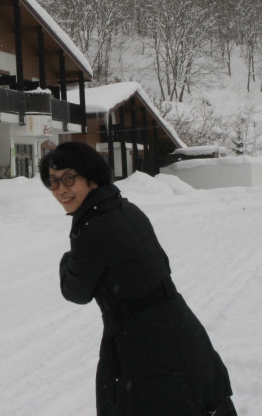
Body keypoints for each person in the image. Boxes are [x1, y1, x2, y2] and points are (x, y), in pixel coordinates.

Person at [42, 141, 235, 415]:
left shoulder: (92, 228)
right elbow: (162, 264)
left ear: (91, 177)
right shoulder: (125, 208)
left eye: (69, 178)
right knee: (198, 401)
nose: (61, 189)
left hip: (144, 346)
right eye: (53, 182)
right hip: (180, 327)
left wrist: (66, 259)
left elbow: (75, 291)